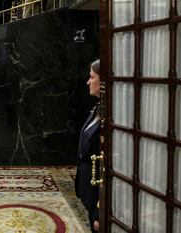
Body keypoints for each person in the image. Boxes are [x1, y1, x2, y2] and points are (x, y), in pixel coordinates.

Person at [75, 59, 101, 233]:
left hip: (99, 195)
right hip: (88, 189)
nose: (88, 82)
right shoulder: (99, 109)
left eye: (92, 77)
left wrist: (100, 210)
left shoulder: (113, 120)